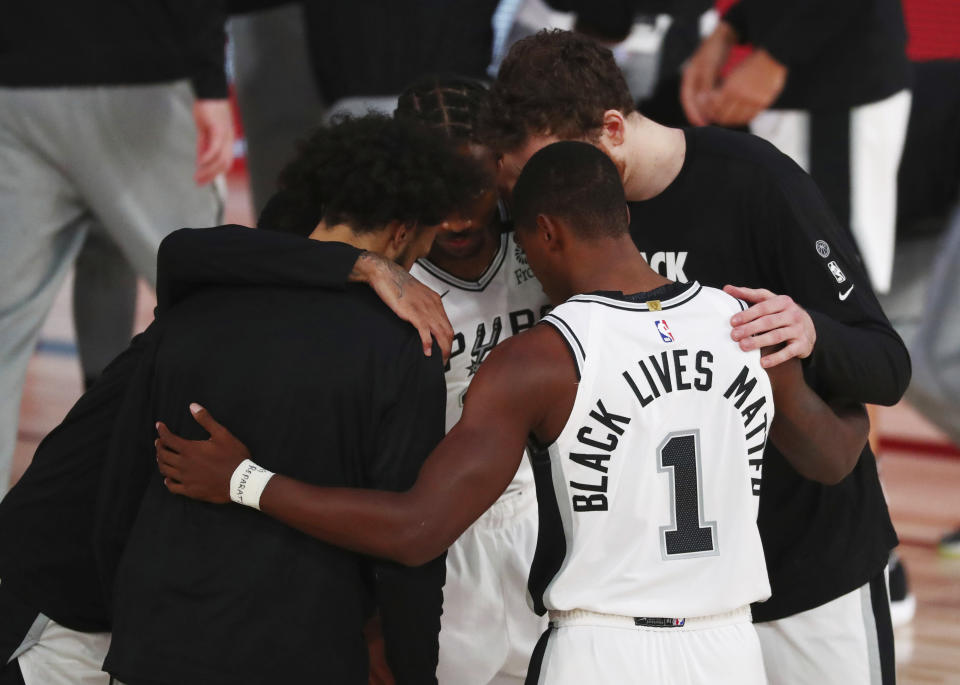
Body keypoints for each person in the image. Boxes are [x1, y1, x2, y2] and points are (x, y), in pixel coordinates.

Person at [156, 141, 870, 683]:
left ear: (543, 235)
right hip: (729, 650)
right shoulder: (738, 321)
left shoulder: (538, 360)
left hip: (604, 651)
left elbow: (414, 530)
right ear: (623, 215)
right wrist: (800, 354)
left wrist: (245, 480)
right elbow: (837, 456)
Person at [484, 30, 907, 684]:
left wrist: (812, 330)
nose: (541, 200)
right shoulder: (551, 231)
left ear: (614, 129)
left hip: (811, 577)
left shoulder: (755, 181)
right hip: (672, 615)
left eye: (550, 169)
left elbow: (887, 365)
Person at [0, 115, 464, 685]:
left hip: (134, 625)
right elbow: (402, 540)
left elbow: (123, 499)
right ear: (399, 231)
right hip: (55, 602)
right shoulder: (395, 348)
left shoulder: (195, 309)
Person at [0, 2, 235, 496]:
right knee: (215, 318)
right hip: (140, 74)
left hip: (17, 84)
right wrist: (211, 83)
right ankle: (222, 532)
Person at [397, 76, 550, 684]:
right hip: (439, 533)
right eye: (440, 190)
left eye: (477, 186)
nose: (459, 213)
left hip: (558, 520)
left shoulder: (547, 239)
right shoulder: (383, 267)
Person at [681, 0, 912, 296]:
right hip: (795, 84)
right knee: (793, 269)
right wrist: (732, 27)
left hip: (834, 93)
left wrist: (777, 54)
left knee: (836, 280)